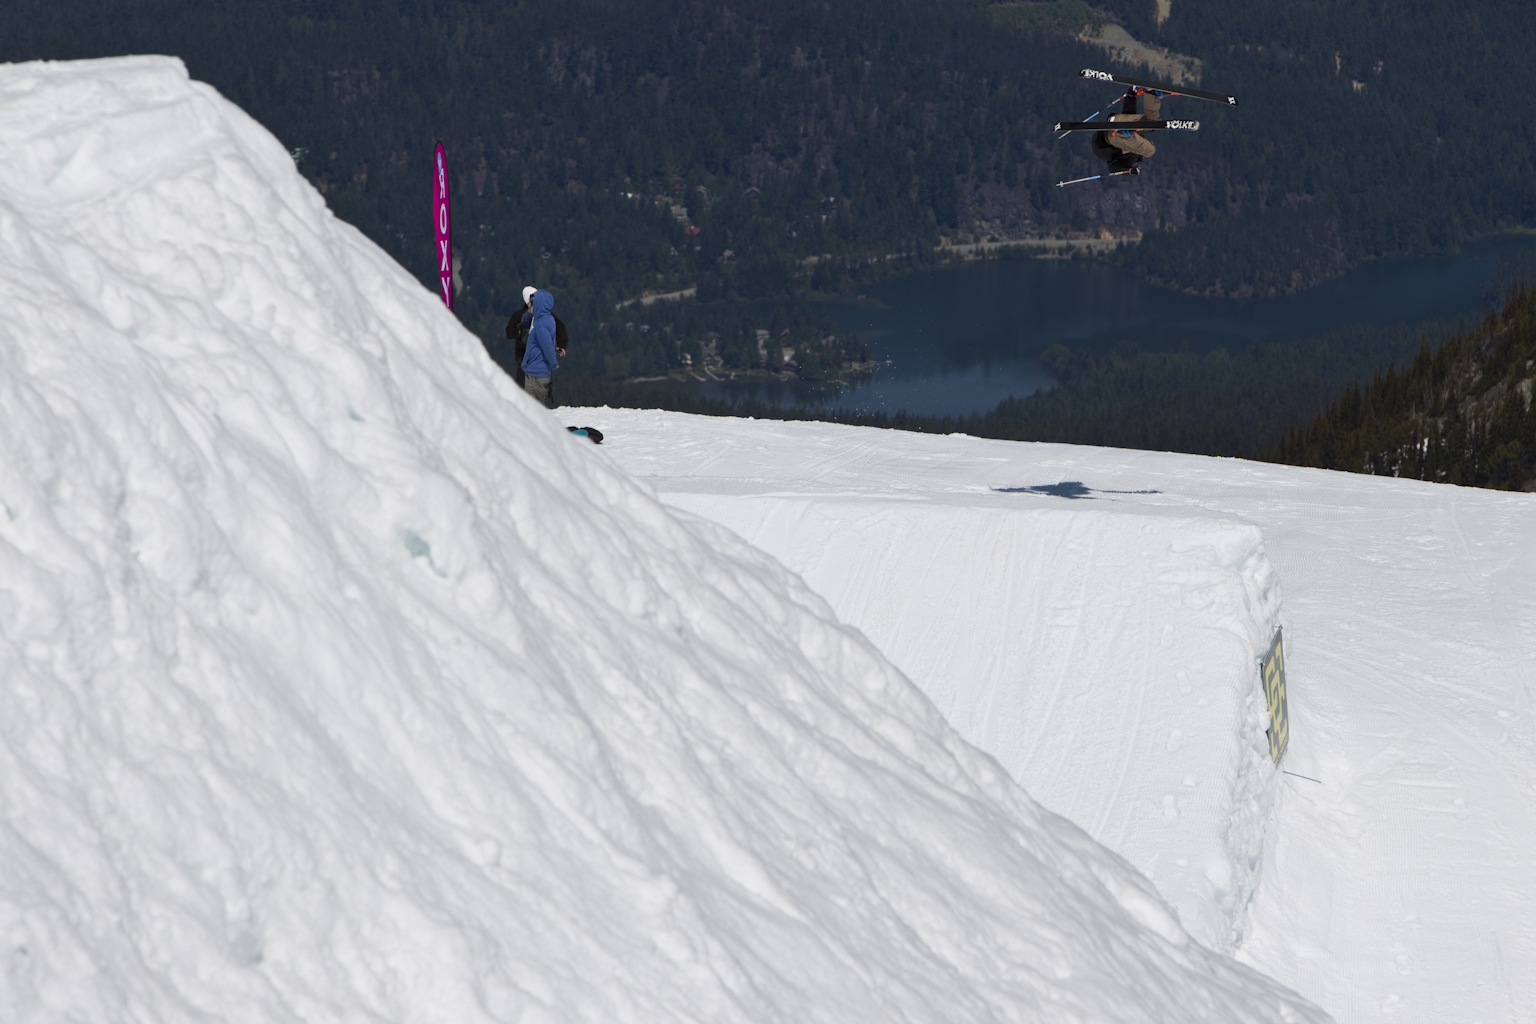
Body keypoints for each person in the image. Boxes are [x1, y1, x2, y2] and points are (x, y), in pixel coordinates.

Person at [504, 284, 567, 395]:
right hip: (524, 356)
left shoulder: (543, 316)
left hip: (533, 358)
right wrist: (519, 332)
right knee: (523, 387)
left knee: (530, 389)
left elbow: (560, 328)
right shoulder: (522, 315)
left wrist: (561, 343)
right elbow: (509, 332)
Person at [1090, 88, 1165, 176]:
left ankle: (1124, 133)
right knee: (1153, 124)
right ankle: (1151, 95)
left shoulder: (1126, 158)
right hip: (1117, 123)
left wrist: (1127, 170)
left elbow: (1113, 167)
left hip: (1111, 136)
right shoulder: (1136, 152)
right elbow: (1129, 116)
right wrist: (1131, 97)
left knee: (1150, 151)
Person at [519, 287, 560, 406]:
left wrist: (553, 363)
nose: (530, 304)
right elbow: (525, 322)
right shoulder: (544, 318)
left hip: (537, 374)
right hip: (535, 370)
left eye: (533, 302)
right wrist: (529, 311)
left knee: (534, 409)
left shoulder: (541, 325)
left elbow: (547, 347)